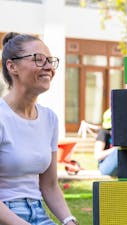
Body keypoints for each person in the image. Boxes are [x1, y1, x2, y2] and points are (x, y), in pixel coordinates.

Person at [0, 33, 78, 225]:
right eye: (39, 59)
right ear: (12, 67)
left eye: (50, 61)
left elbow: (49, 185)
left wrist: (69, 220)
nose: (49, 67)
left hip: (38, 213)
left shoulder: (49, 119)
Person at [93, 108, 118, 176]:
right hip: (105, 166)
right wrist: (115, 149)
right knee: (119, 151)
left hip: (120, 167)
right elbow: (97, 155)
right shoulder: (103, 132)